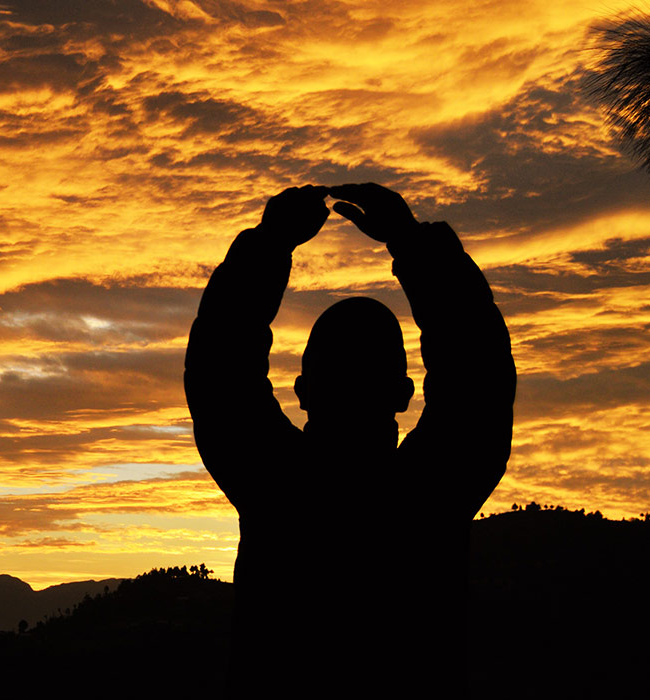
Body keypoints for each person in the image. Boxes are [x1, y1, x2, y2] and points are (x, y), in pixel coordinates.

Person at [184, 184, 515, 697]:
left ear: (302, 391)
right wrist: (411, 243)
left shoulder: (274, 486)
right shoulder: (434, 491)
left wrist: (271, 244)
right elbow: (478, 373)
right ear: (405, 393)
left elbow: (219, 366)